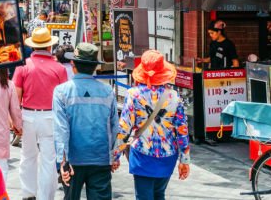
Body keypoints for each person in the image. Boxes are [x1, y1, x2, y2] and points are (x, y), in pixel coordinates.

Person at [113, 50, 190, 200]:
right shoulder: (174, 96)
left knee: (143, 196)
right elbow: (182, 130)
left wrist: (115, 156)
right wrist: (184, 160)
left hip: (142, 153)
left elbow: (124, 128)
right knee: (159, 194)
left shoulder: (133, 94)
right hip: (168, 155)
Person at [53, 43, 119, 200]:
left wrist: (62, 161)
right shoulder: (107, 91)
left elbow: (61, 129)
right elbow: (114, 126)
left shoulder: (61, 92)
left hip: (73, 160)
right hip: (101, 158)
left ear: (73, 64)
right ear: (95, 67)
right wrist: (114, 155)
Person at [13, 26, 68, 200]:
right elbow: (63, 99)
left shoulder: (23, 66)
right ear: (49, 47)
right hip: (51, 117)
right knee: (48, 160)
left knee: (27, 156)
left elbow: (16, 96)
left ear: (33, 46)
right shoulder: (59, 68)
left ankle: (28, 194)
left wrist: (15, 120)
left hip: (28, 115)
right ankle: (46, 197)